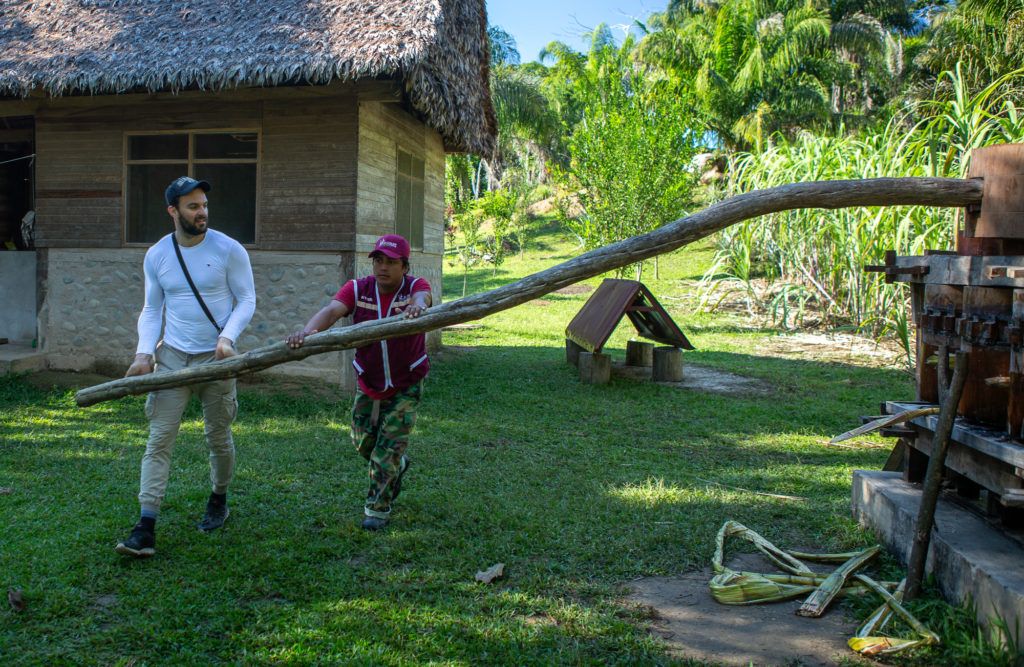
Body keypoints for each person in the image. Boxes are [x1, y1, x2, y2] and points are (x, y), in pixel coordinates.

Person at [115, 176, 256, 558]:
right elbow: (152, 308)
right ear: (173, 212)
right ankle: (145, 526)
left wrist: (227, 338)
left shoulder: (229, 249)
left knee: (217, 436)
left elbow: (246, 299)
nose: (202, 213)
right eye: (193, 207)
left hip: (216, 358)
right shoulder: (157, 255)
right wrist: (144, 353)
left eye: (204, 205)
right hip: (172, 357)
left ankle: (218, 499)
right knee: (159, 439)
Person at [287, 234, 431, 530]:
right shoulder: (358, 288)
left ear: (405, 266)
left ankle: (377, 509)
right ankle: (397, 465)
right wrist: (307, 331)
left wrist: (417, 306)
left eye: (391, 262)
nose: (383, 267)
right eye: (378, 261)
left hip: (407, 382)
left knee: (385, 451)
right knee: (363, 443)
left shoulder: (415, 286)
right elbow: (331, 311)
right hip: (369, 380)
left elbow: (423, 297)